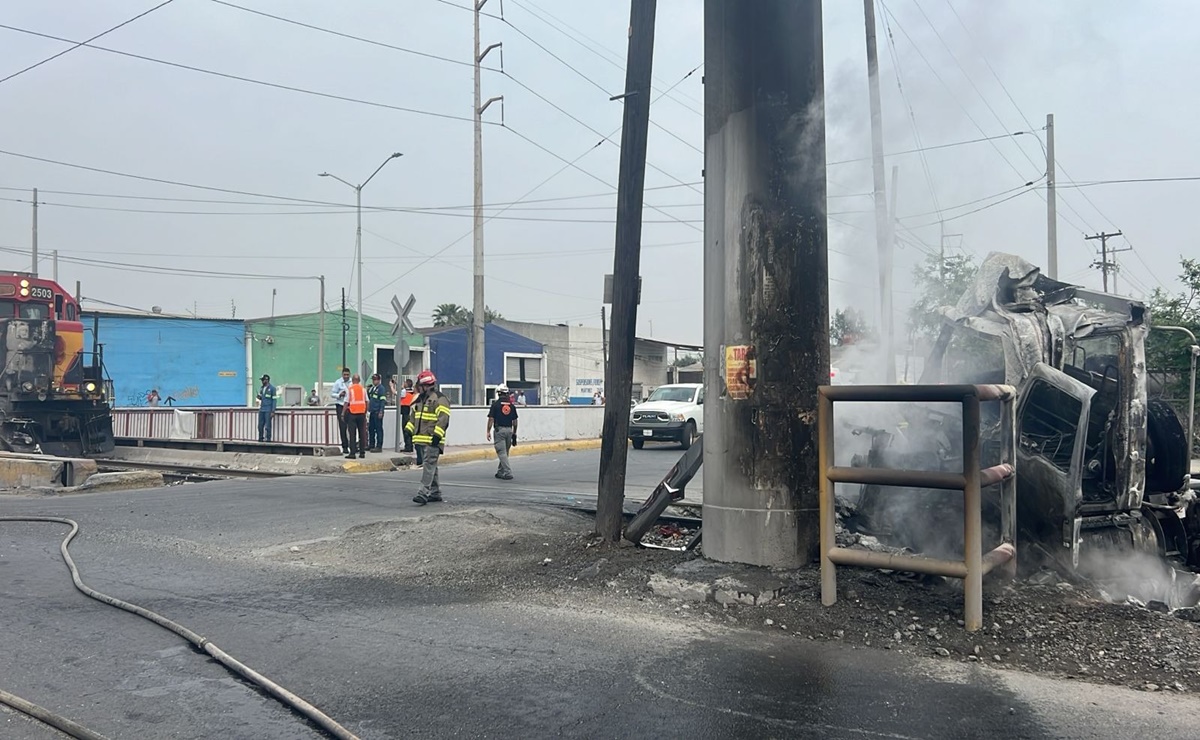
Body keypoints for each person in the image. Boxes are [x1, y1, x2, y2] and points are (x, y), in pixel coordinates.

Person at [406, 369, 450, 505]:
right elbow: (414, 417)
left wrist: (437, 435)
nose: (418, 388)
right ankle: (435, 493)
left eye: (419, 385)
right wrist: (408, 430)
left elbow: (443, 418)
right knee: (431, 465)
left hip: (432, 439)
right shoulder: (420, 400)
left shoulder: (439, 399)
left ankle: (423, 493)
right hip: (421, 439)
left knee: (428, 465)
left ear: (425, 385)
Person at [486, 384, 519, 480]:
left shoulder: (495, 405)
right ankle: (500, 472)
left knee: (501, 452)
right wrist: (514, 432)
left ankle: (508, 472)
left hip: (499, 430)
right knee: (505, 452)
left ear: (499, 393)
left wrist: (488, 431)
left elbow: (491, 419)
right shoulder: (511, 406)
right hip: (509, 430)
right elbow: (515, 421)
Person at [344, 373, 368, 459]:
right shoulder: (363, 389)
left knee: (352, 434)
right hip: (361, 414)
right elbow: (367, 401)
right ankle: (362, 453)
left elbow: (346, 402)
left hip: (352, 413)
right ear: (359, 381)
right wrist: (365, 411)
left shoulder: (350, 389)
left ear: (353, 380)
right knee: (362, 433)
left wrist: (343, 413)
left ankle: (352, 453)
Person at [331, 367, 352, 454]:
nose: (346, 376)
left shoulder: (352, 382)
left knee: (352, 427)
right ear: (342, 375)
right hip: (341, 405)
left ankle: (353, 446)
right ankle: (345, 446)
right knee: (343, 427)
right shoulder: (338, 382)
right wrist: (339, 395)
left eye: (347, 375)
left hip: (350, 406)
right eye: (344, 375)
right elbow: (332, 394)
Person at [367, 373, 387, 453]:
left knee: (378, 429)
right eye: (373, 380)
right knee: (371, 429)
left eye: (375, 380)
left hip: (377, 411)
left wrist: (381, 411)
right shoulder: (372, 388)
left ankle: (379, 446)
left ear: (379, 380)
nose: (374, 381)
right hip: (372, 411)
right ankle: (371, 444)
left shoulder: (381, 389)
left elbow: (382, 401)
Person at [256, 374, 277, 442]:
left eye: (263, 380)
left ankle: (268, 440)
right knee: (260, 425)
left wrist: (273, 411)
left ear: (266, 380)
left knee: (268, 426)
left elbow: (274, 400)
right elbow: (262, 398)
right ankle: (260, 438)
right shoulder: (262, 388)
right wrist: (259, 397)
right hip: (262, 409)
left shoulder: (272, 388)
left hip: (268, 409)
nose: (262, 381)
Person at [399, 377, 416, 453]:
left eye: (405, 382)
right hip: (410, 413)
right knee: (410, 430)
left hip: (405, 413)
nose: (404, 383)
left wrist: (392, 386)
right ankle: (410, 446)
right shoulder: (412, 391)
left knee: (405, 430)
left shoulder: (404, 391)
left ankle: (408, 446)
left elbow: (396, 393)